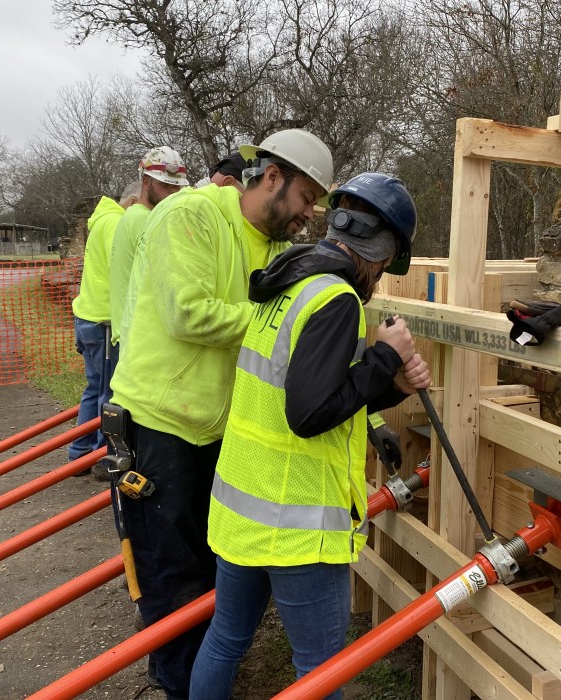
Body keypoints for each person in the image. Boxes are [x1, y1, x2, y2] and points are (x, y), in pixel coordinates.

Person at [108, 129, 334, 698]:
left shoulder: (279, 253)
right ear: (273, 176)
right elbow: (188, 315)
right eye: (306, 198)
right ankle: (178, 686)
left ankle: (202, 679)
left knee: (213, 570)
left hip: (219, 430)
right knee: (170, 576)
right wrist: (288, 324)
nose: (309, 215)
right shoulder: (191, 215)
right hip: (160, 423)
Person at [189, 173, 430, 700]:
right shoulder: (336, 299)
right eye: (386, 265)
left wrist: (390, 386)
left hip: (243, 509)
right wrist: (384, 356)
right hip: (296, 524)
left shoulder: (290, 281)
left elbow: (313, 394)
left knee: (226, 640)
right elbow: (310, 413)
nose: (380, 277)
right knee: (320, 670)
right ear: (383, 252)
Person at [67, 181, 140, 468]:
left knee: (94, 389)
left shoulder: (103, 219)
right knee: (108, 394)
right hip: (104, 321)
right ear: (133, 202)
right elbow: (122, 268)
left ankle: (80, 453)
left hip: (89, 316)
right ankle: (101, 455)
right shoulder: (116, 223)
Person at [108, 146, 190, 353]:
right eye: (165, 185)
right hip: (137, 334)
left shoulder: (131, 216)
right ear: (146, 182)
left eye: (177, 187)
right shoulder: (146, 220)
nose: (173, 193)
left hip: (128, 329)